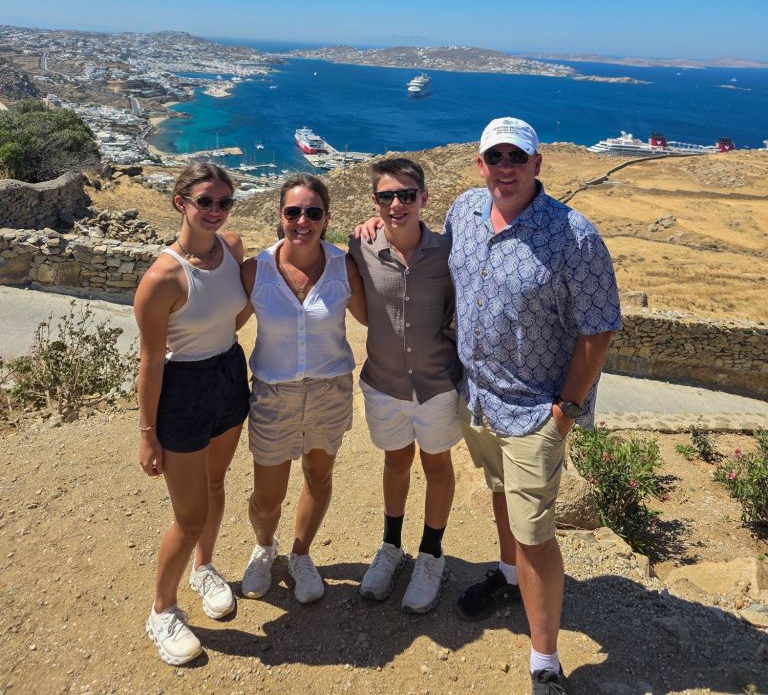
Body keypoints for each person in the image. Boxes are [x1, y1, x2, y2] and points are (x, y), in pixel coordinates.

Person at [445, 117, 622, 695]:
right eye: (495, 157)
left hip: (534, 411)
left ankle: (545, 661)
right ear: (480, 164)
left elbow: (598, 328)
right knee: (500, 493)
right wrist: (377, 225)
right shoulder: (464, 212)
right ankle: (505, 578)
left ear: (537, 165)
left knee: (535, 535)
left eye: (516, 157)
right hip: (478, 399)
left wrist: (565, 408)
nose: (506, 167)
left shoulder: (573, 235)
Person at [134, 162, 249, 667]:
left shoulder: (232, 247)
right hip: (183, 387)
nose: (216, 211)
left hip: (228, 373)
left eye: (224, 202)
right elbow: (150, 362)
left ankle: (204, 568)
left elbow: (236, 311)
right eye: (205, 201)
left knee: (216, 482)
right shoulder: (162, 278)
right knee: (189, 514)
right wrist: (147, 433)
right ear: (181, 202)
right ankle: (162, 610)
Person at [238, 172, 367, 604]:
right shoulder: (255, 270)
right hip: (274, 395)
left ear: (326, 217)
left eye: (313, 212)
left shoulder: (344, 266)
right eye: (293, 212)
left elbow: (374, 317)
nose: (302, 221)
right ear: (280, 215)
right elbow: (222, 324)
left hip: (330, 390)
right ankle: (264, 547)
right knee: (267, 496)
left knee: (318, 475)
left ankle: (301, 553)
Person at [348, 157, 461, 614]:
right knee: (396, 462)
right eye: (386, 197)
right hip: (385, 383)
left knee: (437, 466)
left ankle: (431, 555)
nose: (397, 204)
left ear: (423, 199)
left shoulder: (448, 250)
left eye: (406, 195)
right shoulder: (360, 245)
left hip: (437, 383)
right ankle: (391, 546)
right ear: (375, 202)